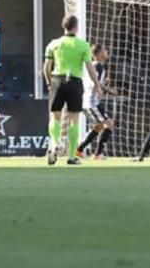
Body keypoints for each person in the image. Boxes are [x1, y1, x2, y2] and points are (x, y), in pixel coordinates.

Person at [43, 15, 104, 166]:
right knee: (74, 119)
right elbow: (90, 68)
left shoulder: (54, 44)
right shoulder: (83, 45)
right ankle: (71, 156)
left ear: (63, 26)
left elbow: (46, 67)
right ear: (76, 27)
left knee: (55, 117)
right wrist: (97, 84)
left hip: (57, 79)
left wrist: (49, 83)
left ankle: (54, 144)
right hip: (75, 82)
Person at [77, 44, 117, 159]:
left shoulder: (96, 66)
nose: (107, 51)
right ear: (99, 54)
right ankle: (98, 154)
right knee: (109, 124)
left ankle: (79, 150)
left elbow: (96, 83)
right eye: (105, 50)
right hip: (92, 101)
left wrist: (104, 86)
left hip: (89, 101)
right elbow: (96, 83)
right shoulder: (98, 66)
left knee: (98, 127)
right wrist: (109, 90)